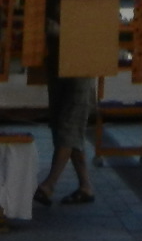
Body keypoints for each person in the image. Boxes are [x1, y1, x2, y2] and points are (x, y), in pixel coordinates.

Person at [35, 73, 96, 207]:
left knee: (69, 125)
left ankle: (49, 184)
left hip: (79, 70)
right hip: (60, 69)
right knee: (63, 126)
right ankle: (85, 186)